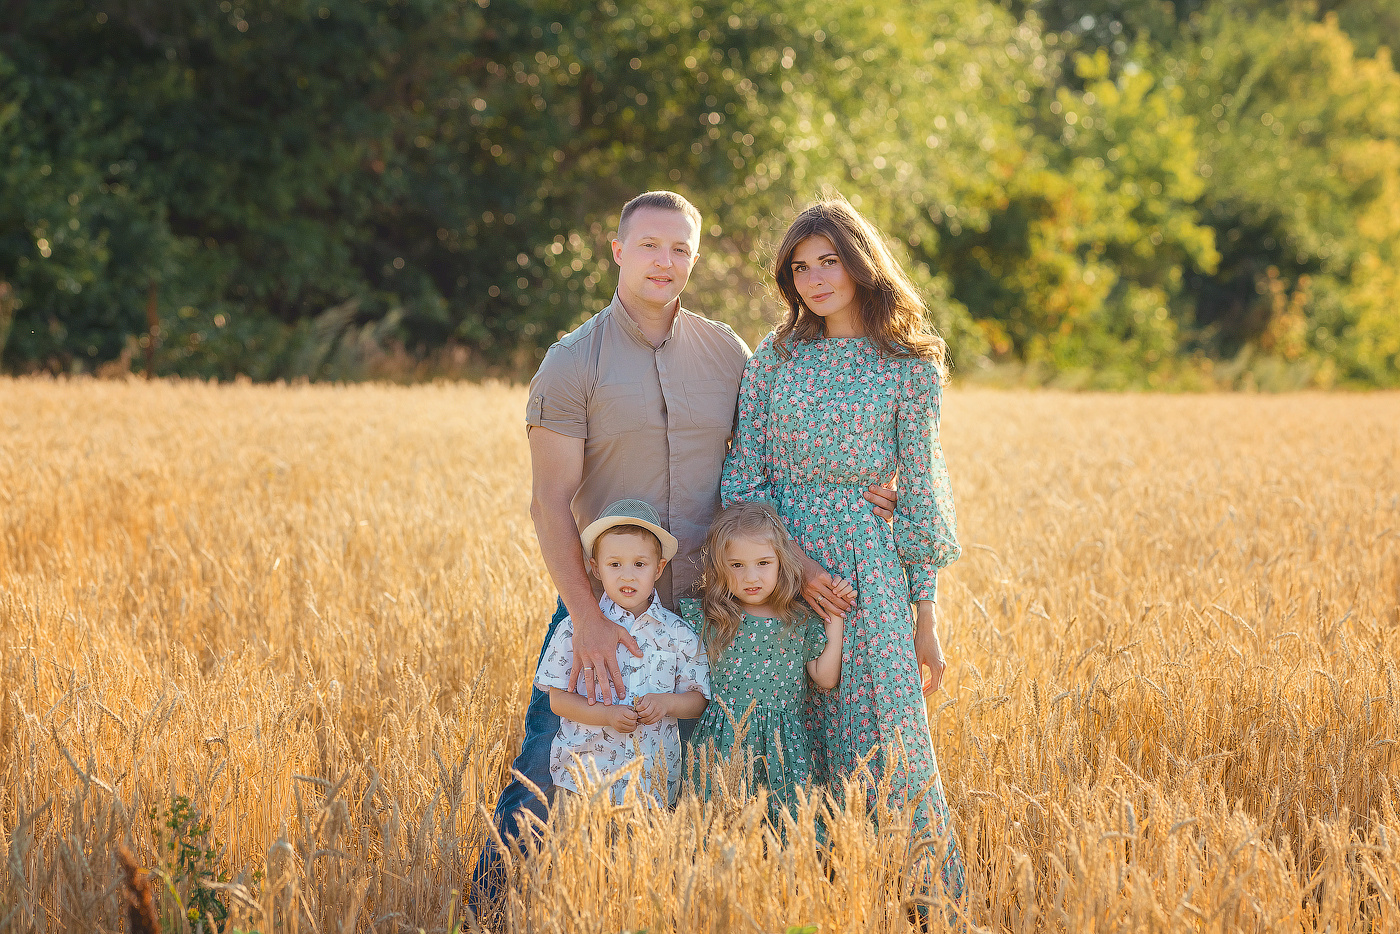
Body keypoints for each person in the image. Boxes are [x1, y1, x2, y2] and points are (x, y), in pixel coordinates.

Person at [468, 189, 897, 919]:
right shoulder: (572, 363)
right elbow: (549, 503)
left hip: (720, 609)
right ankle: (484, 909)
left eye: (680, 249)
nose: (664, 262)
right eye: (648, 246)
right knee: (548, 762)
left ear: (693, 258)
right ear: (617, 250)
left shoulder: (727, 352)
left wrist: (867, 489)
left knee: (706, 778)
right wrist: (590, 620)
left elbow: (774, 459)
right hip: (611, 605)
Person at [719, 195, 966, 902]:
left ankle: (913, 898)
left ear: (861, 265)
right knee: (786, 732)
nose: (817, 278)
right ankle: (799, 892)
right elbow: (744, 476)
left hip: (869, 573)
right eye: (801, 267)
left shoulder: (909, 365)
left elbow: (919, 492)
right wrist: (795, 567)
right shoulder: (776, 356)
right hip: (771, 570)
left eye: (830, 261)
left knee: (887, 736)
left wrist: (927, 620)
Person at [535, 499, 710, 807]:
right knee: (576, 854)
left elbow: (698, 701)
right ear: (596, 569)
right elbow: (558, 699)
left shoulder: (679, 634)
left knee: (643, 857)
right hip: (583, 780)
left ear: (658, 569)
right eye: (614, 564)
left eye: (639, 564)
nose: (627, 576)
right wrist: (607, 714)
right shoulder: (575, 629)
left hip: (649, 785)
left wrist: (666, 703)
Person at [680, 501, 844, 827]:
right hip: (724, 744)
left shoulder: (798, 621)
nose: (751, 576)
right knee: (719, 831)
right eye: (737, 565)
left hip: (785, 749)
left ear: (782, 562)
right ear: (719, 567)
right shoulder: (712, 618)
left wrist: (834, 617)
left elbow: (824, 678)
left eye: (763, 563)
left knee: (789, 832)